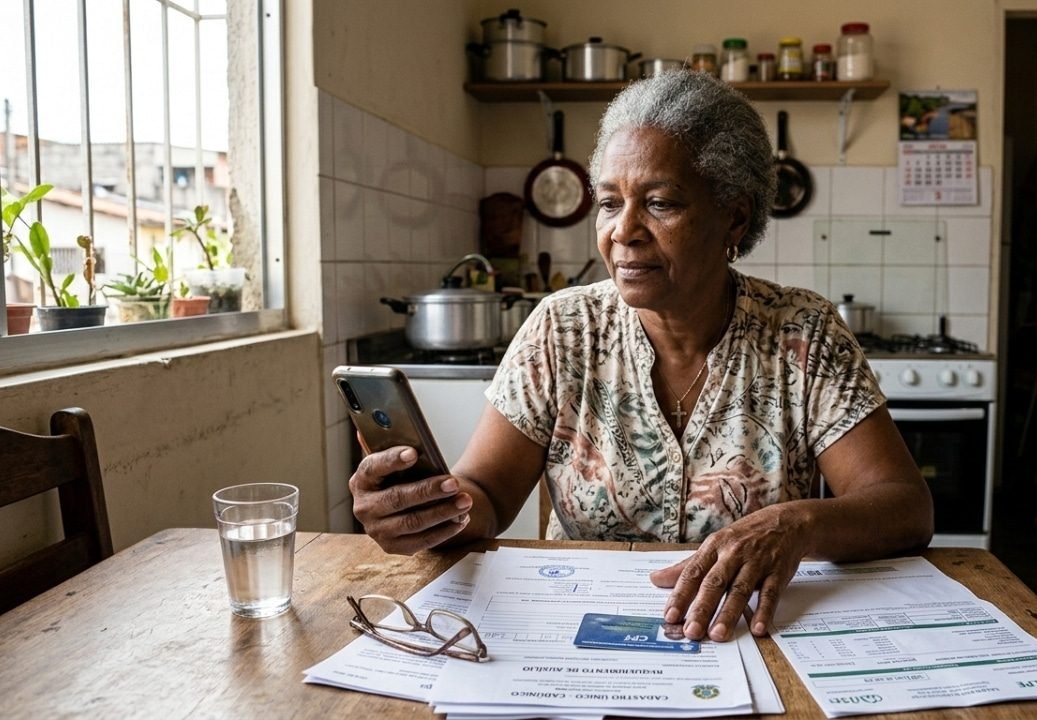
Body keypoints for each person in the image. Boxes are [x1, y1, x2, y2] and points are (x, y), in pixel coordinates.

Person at [350, 70, 933, 643]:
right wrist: (428, 510)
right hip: (577, 634)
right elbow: (487, 493)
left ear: (734, 216)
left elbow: (905, 509)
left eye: (660, 203)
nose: (623, 231)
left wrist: (797, 524)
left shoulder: (803, 334)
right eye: (608, 203)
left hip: (743, 635)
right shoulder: (563, 329)